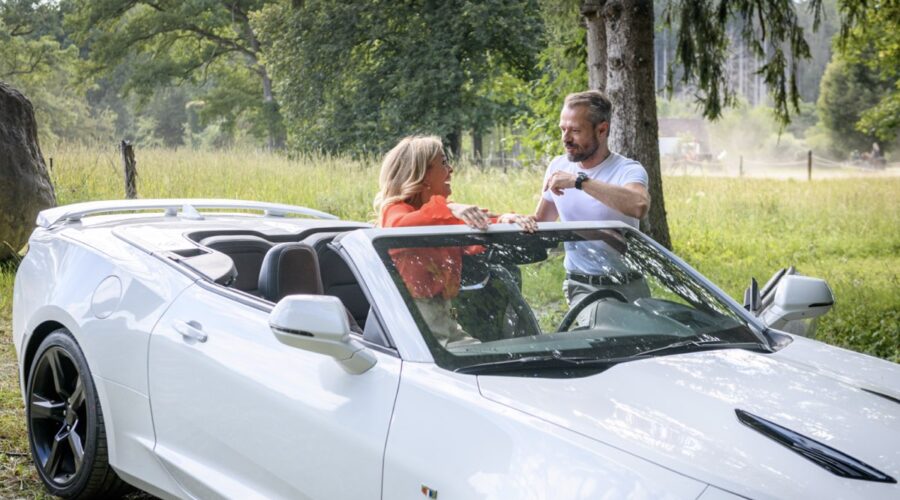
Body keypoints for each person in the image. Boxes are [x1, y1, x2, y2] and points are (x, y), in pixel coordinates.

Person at [374, 135, 536, 346]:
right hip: (414, 324)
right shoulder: (396, 210)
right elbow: (398, 228)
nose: (451, 169)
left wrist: (504, 220)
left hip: (445, 318)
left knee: (485, 355)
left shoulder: (438, 214)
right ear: (422, 173)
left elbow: (475, 226)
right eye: (443, 163)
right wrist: (450, 208)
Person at [533, 90, 652, 322]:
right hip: (583, 285)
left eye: (575, 131)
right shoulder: (557, 167)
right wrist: (506, 220)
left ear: (602, 130)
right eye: (563, 129)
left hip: (631, 283)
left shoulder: (627, 170)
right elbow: (541, 222)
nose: (566, 138)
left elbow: (638, 205)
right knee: (600, 333)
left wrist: (579, 182)